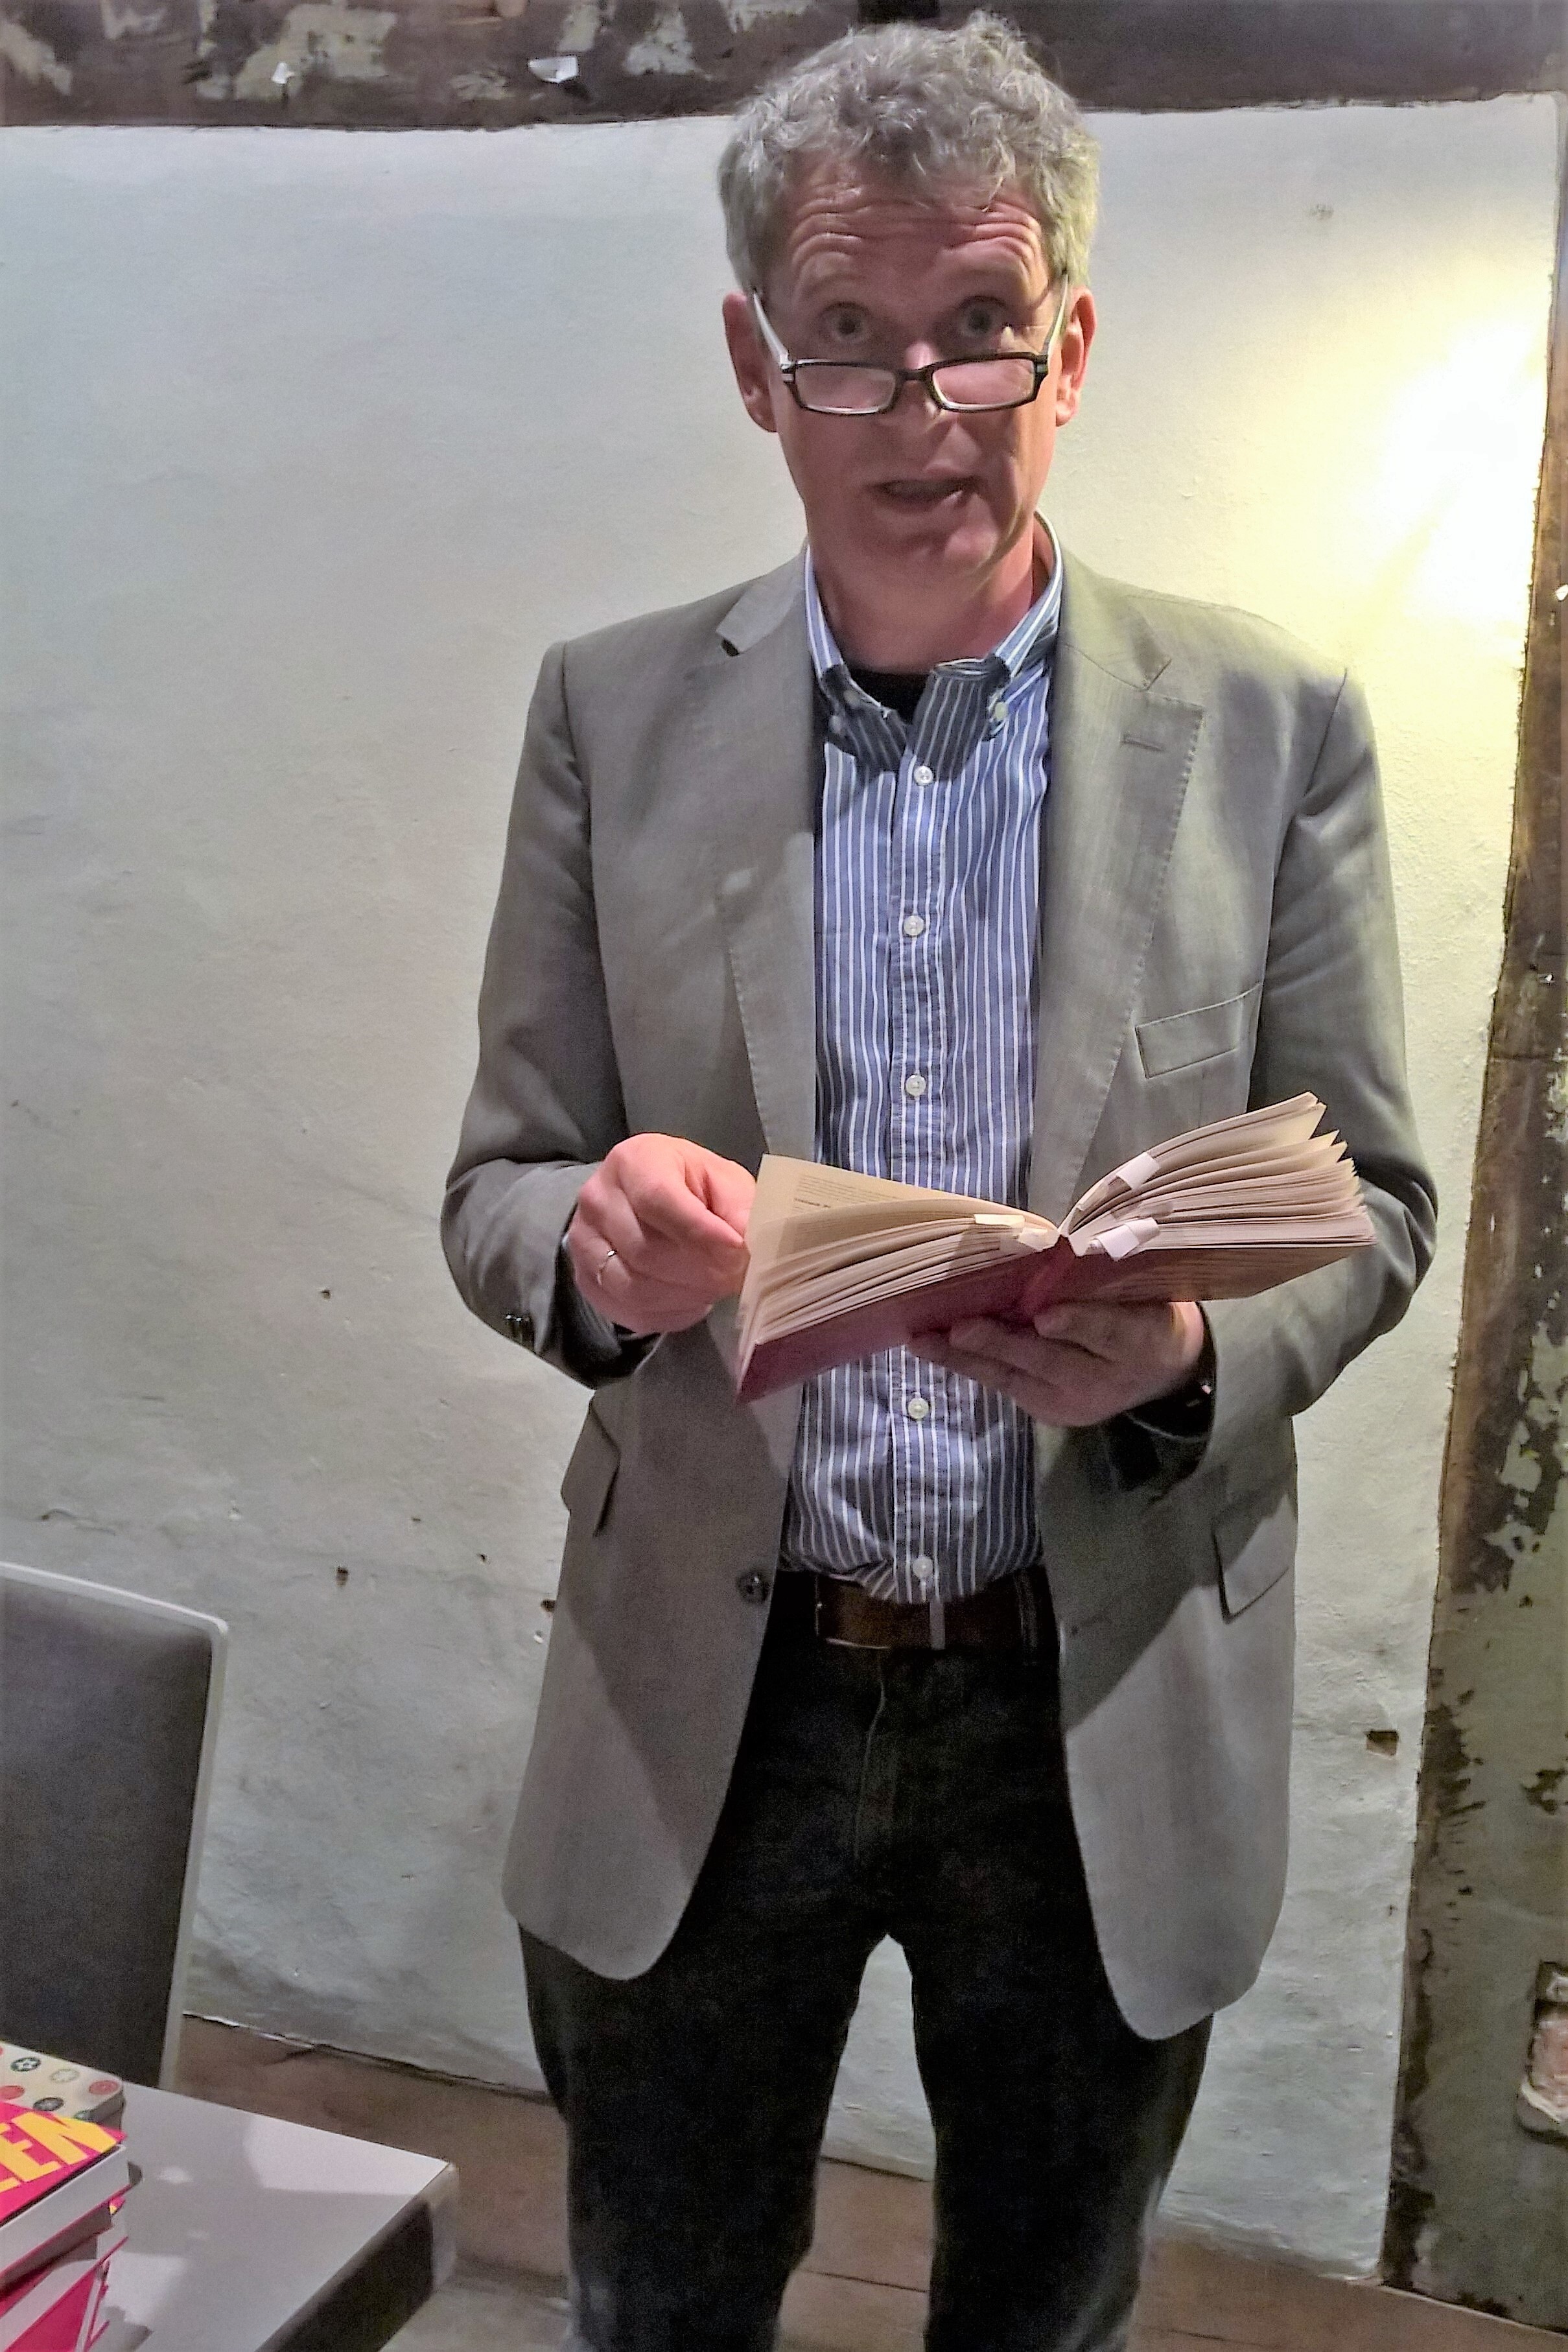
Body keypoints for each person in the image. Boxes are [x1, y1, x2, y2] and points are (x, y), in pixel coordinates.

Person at [443, 18, 1436, 2347]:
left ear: (1068, 345)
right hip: (717, 1683)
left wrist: (1180, 1354)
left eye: (980, 329)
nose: (923, 416)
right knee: (659, 2293)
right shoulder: (611, 715)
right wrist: (594, 1244)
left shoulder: (1267, 730)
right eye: (849, 339)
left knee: (1042, 2306)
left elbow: (1377, 1199)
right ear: (754, 369)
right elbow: (498, 1183)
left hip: (1093, 1682)